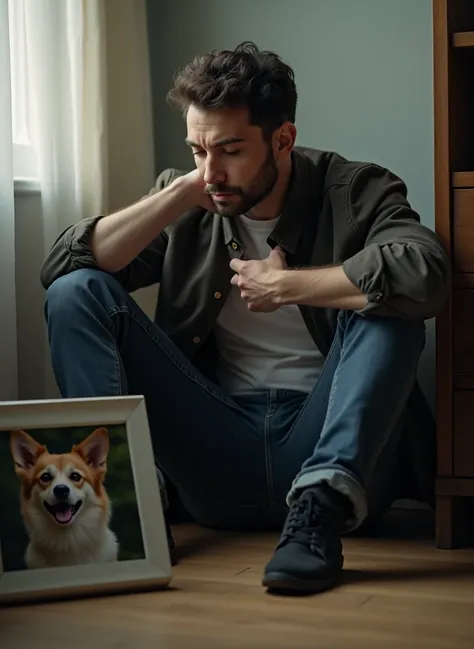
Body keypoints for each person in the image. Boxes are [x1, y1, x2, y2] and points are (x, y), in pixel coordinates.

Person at [40, 42, 449, 595]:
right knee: (75, 291)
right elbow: (63, 267)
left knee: (387, 296)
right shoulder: (192, 194)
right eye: (197, 150)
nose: (212, 171)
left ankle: (318, 510)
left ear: (282, 139)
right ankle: (128, 509)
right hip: (218, 448)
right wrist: (181, 191)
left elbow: (424, 273)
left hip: (328, 443)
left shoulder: (354, 189)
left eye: (230, 150)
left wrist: (290, 286)